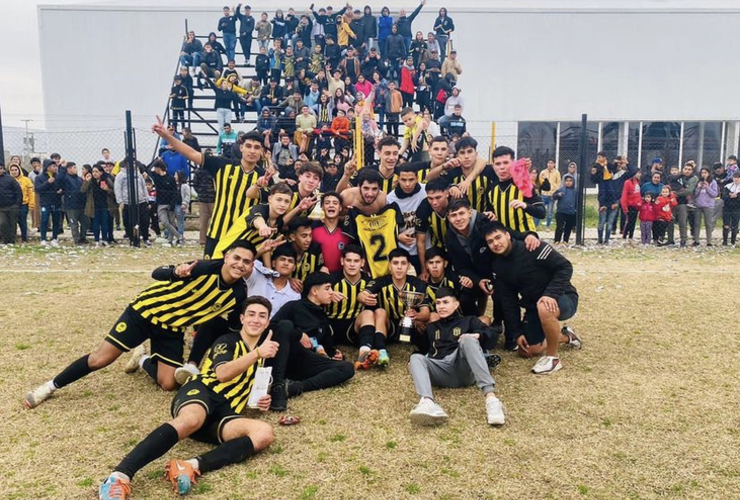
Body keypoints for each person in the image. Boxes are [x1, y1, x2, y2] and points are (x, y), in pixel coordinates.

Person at [24, 241, 256, 410]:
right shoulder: (202, 267)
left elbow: (234, 326)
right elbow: (157, 273)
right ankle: (50, 387)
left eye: (246, 262)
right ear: (226, 256)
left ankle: (142, 359)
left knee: (168, 383)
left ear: (251, 266)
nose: (240, 264)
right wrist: (176, 271)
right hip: (146, 312)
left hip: (172, 329)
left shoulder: (238, 294)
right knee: (100, 360)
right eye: (236, 258)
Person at [97, 296, 276, 500]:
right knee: (191, 419)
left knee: (264, 433)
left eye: (262, 316)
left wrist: (261, 400)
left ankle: (189, 466)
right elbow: (223, 374)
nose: (256, 320)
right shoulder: (227, 341)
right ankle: (119, 476)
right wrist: (257, 353)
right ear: (242, 318)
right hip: (203, 393)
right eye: (251, 314)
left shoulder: (262, 356)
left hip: (225, 412)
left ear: (268, 322)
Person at [152, 119, 266, 258]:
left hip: (245, 239)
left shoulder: (264, 177)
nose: (252, 150)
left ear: (262, 151)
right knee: (210, 277)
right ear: (241, 147)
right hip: (217, 235)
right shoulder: (223, 165)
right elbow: (191, 153)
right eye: (248, 146)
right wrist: (167, 136)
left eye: (256, 147)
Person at [484, 222, 582, 374]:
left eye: (498, 237)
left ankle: (553, 359)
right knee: (528, 350)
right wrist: (517, 333)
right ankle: (567, 337)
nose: (496, 243)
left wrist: (550, 294)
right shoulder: (498, 266)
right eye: (490, 241)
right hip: (534, 307)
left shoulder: (532, 247)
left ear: (508, 235)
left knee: (544, 306)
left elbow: (565, 267)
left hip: (562, 297)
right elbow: (509, 301)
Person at [407, 287, 505, 426]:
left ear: (456, 304)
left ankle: (491, 400)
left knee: (467, 339)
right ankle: (427, 402)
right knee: (416, 358)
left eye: (445, 302)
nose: (441, 307)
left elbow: (492, 336)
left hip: (463, 367)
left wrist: (477, 335)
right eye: (438, 303)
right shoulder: (432, 327)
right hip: (441, 371)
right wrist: (410, 323)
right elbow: (420, 347)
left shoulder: (469, 321)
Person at [268, 272, 356, 410]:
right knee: (286, 325)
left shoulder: (322, 317)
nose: (331, 293)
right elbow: (273, 326)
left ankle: (295, 387)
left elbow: (326, 346)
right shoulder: (293, 306)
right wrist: (298, 334)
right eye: (327, 288)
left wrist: (335, 354)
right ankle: (277, 387)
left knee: (347, 368)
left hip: (307, 361)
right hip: (286, 355)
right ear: (314, 291)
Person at [359, 248, 432, 367]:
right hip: (389, 327)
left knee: (430, 319)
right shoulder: (381, 282)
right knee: (380, 312)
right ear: (389, 266)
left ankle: (429, 350)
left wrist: (416, 316)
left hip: (411, 326)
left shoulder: (418, 284)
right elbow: (362, 295)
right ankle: (382, 351)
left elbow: (426, 312)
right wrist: (364, 298)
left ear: (408, 266)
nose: (399, 267)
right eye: (395, 263)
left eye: (403, 263)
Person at [341, 168, 405, 278]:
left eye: (374, 189)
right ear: (359, 186)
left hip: (373, 242)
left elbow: (388, 224)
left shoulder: (382, 199)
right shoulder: (348, 196)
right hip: (352, 237)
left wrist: (398, 235)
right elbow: (333, 213)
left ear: (379, 188)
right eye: (366, 188)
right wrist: (348, 216)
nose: (370, 193)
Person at [213, 182, 293, 259]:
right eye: (279, 200)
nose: (282, 204)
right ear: (270, 199)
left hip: (244, 261)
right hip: (223, 256)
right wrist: (263, 227)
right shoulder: (258, 209)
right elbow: (257, 218)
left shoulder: (278, 221)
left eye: (286, 201)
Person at [387, 163, 427, 273]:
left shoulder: (425, 191)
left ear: (417, 178)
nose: (407, 184)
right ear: (398, 179)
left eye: (411, 179)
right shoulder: (390, 199)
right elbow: (386, 227)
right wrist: (397, 236)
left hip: (425, 248)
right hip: (403, 250)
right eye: (403, 180)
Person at [311, 191, 351, 273]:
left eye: (335, 203)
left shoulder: (347, 233)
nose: (331, 205)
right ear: (322, 206)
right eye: (327, 203)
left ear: (340, 208)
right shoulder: (313, 232)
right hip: (319, 277)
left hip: (340, 278)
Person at [114, 160, 150, 246]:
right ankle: (132, 239)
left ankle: (145, 238)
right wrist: (120, 201)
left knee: (144, 220)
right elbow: (117, 189)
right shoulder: (120, 175)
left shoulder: (138, 174)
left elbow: (143, 186)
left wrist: (146, 198)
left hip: (141, 201)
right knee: (128, 222)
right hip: (127, 202)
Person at [149, 161, 183, 246]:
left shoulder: (170, 179)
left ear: (159, 168)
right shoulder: (156, 177)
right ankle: (179, 237)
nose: (154, 170)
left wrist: (172, 205)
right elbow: (147, 169)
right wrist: (156, 160)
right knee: (165, 222)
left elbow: (174, 192)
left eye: (156, 168)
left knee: (171, 222)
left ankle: (170, 240)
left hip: (170, 203)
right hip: (161, 203)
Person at [591, 151, 621, 245]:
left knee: (609, 222)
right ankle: (600, 240)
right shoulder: (597, 166)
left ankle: (606, 240)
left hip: (611, 197)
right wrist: (598, 165)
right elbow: (593, 177)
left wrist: (616, 163)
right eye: (598, 157)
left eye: (601, 157)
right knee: (602, 221)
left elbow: (614, 168)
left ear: (604, 157)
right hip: (603, 197)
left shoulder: (609, 166)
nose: (599, 158)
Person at [34, 159, 63, 246]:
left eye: (56, 166)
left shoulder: (58, 177)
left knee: (56, 220)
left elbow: (63, 187)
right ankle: (43, 239)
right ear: (47, 167)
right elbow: (38, 189)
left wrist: (61, 191)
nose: (55, 168)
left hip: (56, 201)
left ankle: (55, 238)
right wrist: (48, 182)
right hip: (45, 202)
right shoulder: (39, 178)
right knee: (44, 220)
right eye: (53, 166)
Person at [673, 163, 698, 247]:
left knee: (684, 222)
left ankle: (684, 240)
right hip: (675, 202)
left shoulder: (694, 179)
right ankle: (669, 239)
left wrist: (677, 193)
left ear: (692, 171)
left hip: (688, 203)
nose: (687, 171)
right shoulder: (679, 177)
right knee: (673, 221)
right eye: (685, 169)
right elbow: (671, 184)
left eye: (689, 169)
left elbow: (689, 190)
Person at [693, 166, 718, 246]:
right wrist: (698, 188)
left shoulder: (713, 182)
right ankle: (696, 240)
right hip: (698, 205)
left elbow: (714, 194)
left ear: (709, 173)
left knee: (708, 223)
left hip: (708, 205)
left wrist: (707, 187)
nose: (703, 174)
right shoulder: (698, 182)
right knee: (697, 223)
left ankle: (709, 241)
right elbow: (695, 195)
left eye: (705, 173)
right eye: (702, 173)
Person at [8, 164, 34, 242]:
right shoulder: (7, 180)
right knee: (12, 222)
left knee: (22, 221)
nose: (14, 172)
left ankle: (24, 238)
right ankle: (12, 238)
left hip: (23, 204)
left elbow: (30, 193)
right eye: (12, 170)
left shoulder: (26, 180)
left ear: (19, 170)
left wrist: (31, 203)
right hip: (12, 204)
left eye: (16, 170)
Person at [552, 173, 577, 244]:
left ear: (573, 182)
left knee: (568, 227)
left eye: (570, 181)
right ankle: (557, 240)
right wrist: (558, 195)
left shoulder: (575, 191)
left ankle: (565, 240)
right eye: (567, 181)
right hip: (561, 212)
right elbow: (553, 196)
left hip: (570, 212)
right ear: (564, 182)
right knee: (559, 227)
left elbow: (577, 201)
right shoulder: (561, 189)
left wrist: (575, 210)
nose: (568, 182)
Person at [0, 163, 21, 244]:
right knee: (2, 223)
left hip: (12, 206)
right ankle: (5, 240)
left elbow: (18, 192)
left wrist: (17, 204)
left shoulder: (10, 179)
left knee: (12, 224)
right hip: (1, 207)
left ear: (3, 169)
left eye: (1, 168)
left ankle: (12, 240)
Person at [538, 159, 561, 230]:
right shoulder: (543, 172)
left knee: (550, 212)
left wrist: (554, 193)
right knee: (539, 210)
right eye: (549, 163)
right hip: (544, 195)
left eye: (552, 163)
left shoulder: (557, 173)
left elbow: (558, 183)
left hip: (551, 196)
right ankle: (536, 225)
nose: (550, 164)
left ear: (554, 164)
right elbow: (540, 182)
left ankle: (547, 226)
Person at [620, 170, 642, 243]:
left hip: (636, 205)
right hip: (630, 205)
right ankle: (625, 235)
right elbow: (624, 195)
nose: (640, 174)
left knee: (633, 221)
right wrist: (624, 206)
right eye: (638, 173)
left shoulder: (637, 182)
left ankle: (631, 236)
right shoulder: (628, 182)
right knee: (629, 221)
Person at [722, 171, 740, 246]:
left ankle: (733, 241)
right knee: (726, 224)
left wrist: (737, 196)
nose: (736, 179)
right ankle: (725, 241)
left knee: (734, 225)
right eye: (735, 177)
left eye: (738, 177)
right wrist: (731, 196)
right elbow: (723, 197)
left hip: (737, 208)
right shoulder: (727, 187)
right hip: (727, 208)